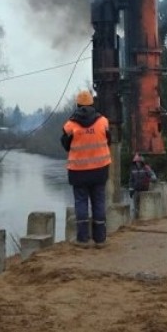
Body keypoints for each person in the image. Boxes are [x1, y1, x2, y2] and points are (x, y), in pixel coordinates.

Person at [61, 89, 111, 249]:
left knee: (81, 203)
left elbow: (65, 145)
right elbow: (108, 140)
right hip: (100, 170)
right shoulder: (103, 122)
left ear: (77, 105)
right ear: (92, 104)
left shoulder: (70, 125)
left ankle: (83, 239)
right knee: (99, 202)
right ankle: (100, 239)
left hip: (78, 171)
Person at [128, 152, 157, 219]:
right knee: (136, 207)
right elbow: (131, 180)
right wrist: (131, 189)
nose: (137, 163)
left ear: (141, 162)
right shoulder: (133, 170)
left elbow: (153, 176)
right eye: (136, 162)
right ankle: (137, 218)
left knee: (145, 206)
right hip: (136, 191)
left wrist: (151, 179)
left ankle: (145, 218)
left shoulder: (146, 168)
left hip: (145, 191)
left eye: (139, 162)